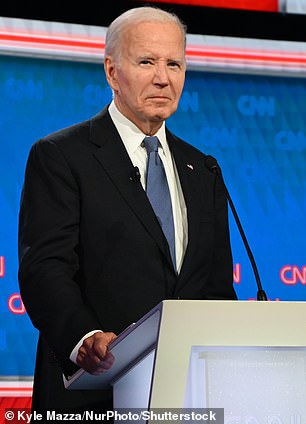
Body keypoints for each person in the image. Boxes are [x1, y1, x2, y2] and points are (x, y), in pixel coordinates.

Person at [18, 5, 237, 416]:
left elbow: (215, 288)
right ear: (111, 72)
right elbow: (44, 269)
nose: (163, 77)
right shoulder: (62, 156)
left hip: (186, 397)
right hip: (93, 396)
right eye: (147, 61)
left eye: (174, 63)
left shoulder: (203, 168)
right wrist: (84, 338)